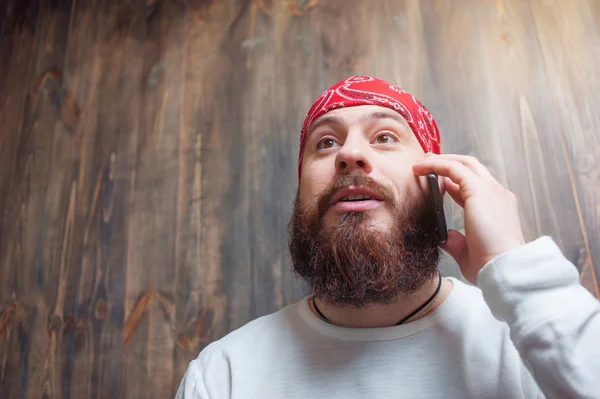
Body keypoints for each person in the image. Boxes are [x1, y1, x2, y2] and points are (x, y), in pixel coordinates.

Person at [176, 76, 600, 399]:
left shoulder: (524, 337)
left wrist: (514, 263)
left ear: (437, 181)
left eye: (385, 137)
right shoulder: (222, 376)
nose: (349, 154)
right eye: (325, 142)